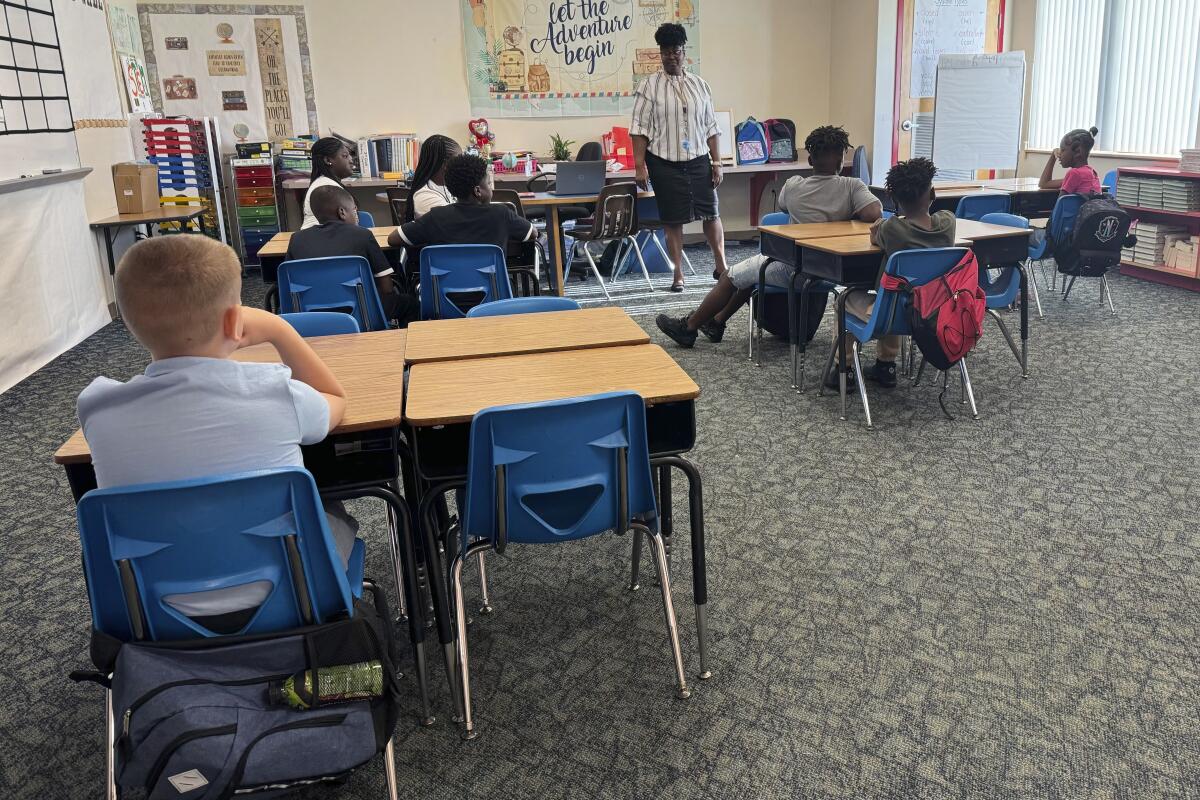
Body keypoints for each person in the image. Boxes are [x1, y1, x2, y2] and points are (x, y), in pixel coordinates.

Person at [77, 235, 355, 631]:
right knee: (335, 515)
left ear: (126, 320)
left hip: (150, 613)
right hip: (294, 592)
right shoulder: (276, 392)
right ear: (236, 319)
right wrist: (279, 330)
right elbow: (334, 398)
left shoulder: (97, 408)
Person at [656, 125, 881, 348]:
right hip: (836, 271)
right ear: (842, 160)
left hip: (798, 268)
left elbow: (783, 207)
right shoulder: (853, 187)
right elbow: (874, 213)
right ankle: (716, 322)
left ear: (810, 161)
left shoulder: (793, 185)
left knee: (729, 276)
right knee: (749, 271)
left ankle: (689, 327)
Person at [831, 157, 956, 390]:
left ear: (895, 200)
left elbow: (875, 236)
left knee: (845, 299)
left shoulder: (892, 229)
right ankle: (886, 366)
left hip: (892, 315)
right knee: (897, 293)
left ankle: (843, 368)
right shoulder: (948, 223)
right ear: (933, 195)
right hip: (934, 312)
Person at [630, 22, 726, 292]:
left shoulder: (700, 85)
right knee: (673, 220)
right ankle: (678, 275)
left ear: (685, 52)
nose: (671, 56)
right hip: (663, 161)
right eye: (666, 52)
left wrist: (716, 162)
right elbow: (639, 129)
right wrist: (640, 166)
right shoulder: (649, 86)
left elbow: (711, 127)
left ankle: (721, 265)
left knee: (712, 213)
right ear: (660, 54)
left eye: (676, 51)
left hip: (698, 158)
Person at [287, 184, 417, 325]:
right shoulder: (363, 235)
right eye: (355, 211)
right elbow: (387, 287)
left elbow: (288, 284)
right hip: (361, 312)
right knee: (410, 304)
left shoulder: (297, 239)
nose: (357, 217)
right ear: (342, 212)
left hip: (310, 315)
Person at [389, 153, 535, 252]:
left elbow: (393, 238)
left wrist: (423, 225)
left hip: (445, 295)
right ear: (478, 191)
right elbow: (532, 233)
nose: (491, 188)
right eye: (489, 184)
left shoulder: (436, 216)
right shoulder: (501, 214)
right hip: (493, 293)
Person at [301, 137, 355, 230]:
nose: (351, 160)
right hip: (322, 240)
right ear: (328, 160)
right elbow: (337, 229)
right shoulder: (326, 189)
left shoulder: (324, 182)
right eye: (345, 156)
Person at [408, 134, 462, 221]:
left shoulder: (444, 186)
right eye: (458, 161)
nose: (461, 166)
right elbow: (459, 220)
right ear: (445, 164)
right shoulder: (425, 197)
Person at [1038, 126, 1102, 194]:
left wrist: (1052, 157)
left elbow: (1062, 203)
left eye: (1062, 150)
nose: (1060, 153)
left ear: (1077, 151)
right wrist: (1053, 155)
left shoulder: (1074, 173)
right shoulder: (1092, 173)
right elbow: (1044, 184)